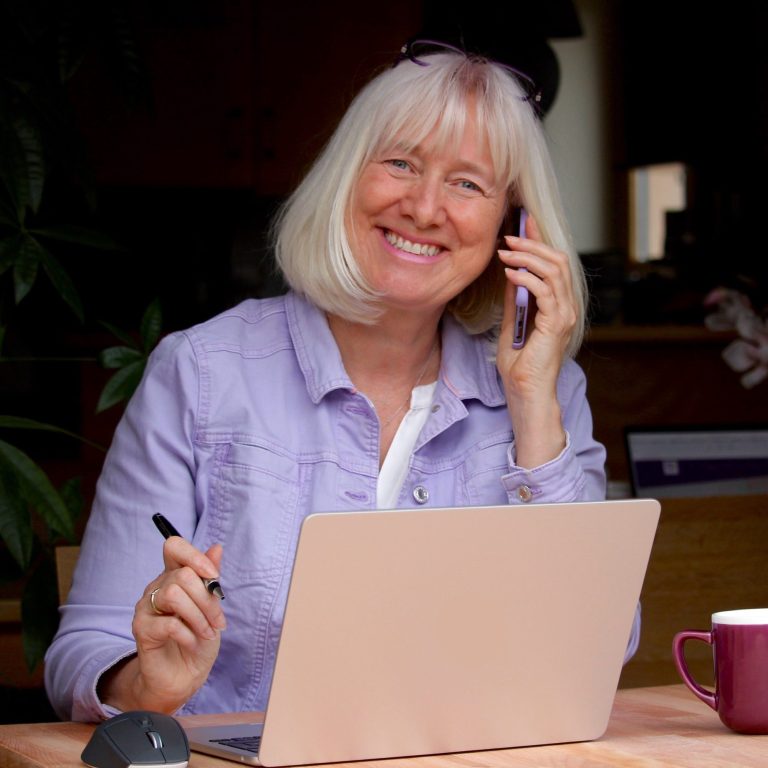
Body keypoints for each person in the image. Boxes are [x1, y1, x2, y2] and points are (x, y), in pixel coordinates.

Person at [45, 42, 638, 722]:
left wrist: (532, 405)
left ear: (516, 229)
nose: (423, 206)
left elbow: (600, 646)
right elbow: (84, 652)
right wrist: (152, 685)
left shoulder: (549, 393)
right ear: (346, 177)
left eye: (467, 183)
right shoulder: (202, 372)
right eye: (401, 163)